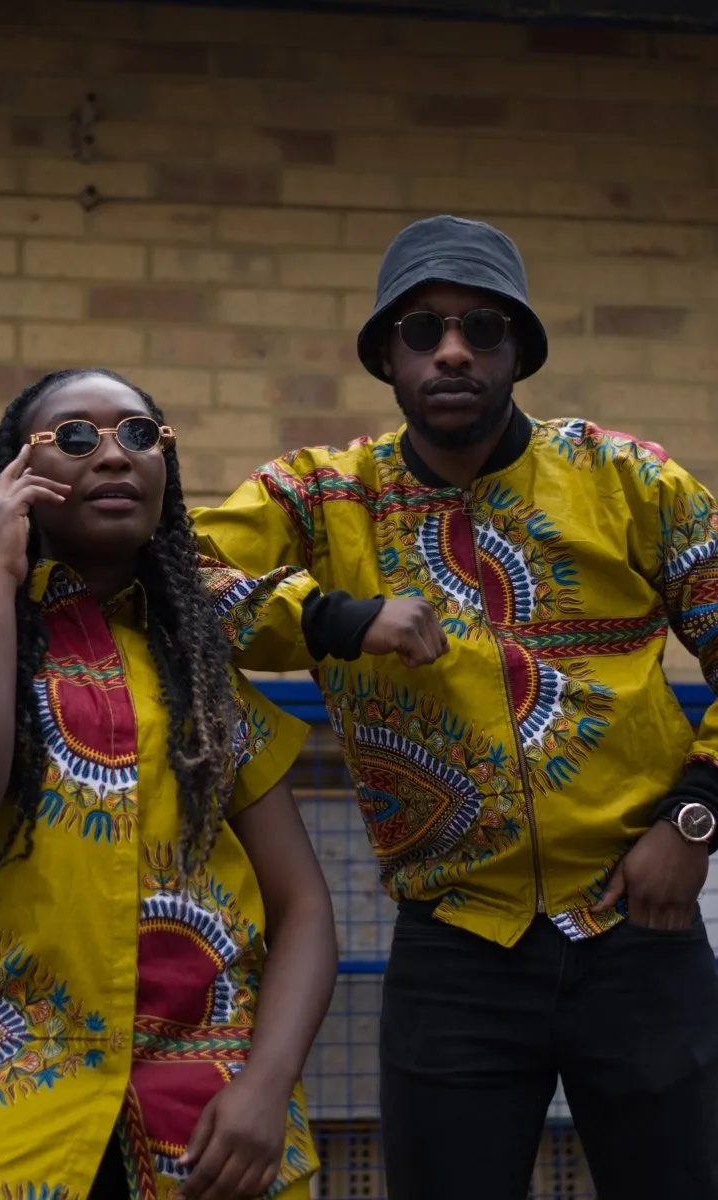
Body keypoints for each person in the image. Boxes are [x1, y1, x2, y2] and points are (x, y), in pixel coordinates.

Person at [193, 215, 718, 1200]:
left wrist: (698, 814)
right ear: (385, 354)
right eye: (422, 329)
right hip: (453, 946)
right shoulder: (325, 496)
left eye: (483, 328)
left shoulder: (628, 481)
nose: (453, 350)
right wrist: (335, 617)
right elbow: (177, 576)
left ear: (519, 351)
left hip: (641, 927)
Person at [0, 367, 338, 1200]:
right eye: (75, 437)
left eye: (140, 435)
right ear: (18, 476)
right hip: (1, 1108)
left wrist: (264, 1085)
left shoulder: (200, 670)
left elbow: (304, 908)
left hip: (210, 1127)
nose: (115, 455)